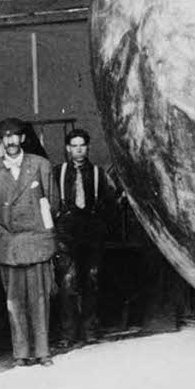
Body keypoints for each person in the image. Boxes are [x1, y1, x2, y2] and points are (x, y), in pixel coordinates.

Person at [0, 117, 57, 367]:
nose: (11, 141)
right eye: (6, 137)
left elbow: (52, 204)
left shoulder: (40, 165)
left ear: (23, 139)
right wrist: (6, 234)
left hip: (36, 242)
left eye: (15, 136)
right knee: (14, 302)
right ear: (0, 141)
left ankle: (43, 352)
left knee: (39, 299)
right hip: (10, 244)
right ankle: (21, 354)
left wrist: (40, 233)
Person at [54, 128, 116, 346]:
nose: (78, 150)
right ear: (68, 149)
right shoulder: (58, 172)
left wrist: (100, 227)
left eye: (82, 145)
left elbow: (110, 205)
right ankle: (68, 333)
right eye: (74, 146)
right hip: (66, 234)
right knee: (67, 283)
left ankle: (90, 330)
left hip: (91, 234)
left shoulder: (99, 173)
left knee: (91, 281)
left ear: (88, 148)